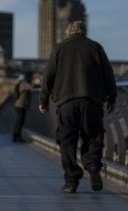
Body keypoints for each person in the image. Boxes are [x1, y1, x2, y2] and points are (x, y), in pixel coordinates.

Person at [38, 20, 117, 194]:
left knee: (67, 141)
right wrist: (112, 97)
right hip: (92, 100)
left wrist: (43, 100)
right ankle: (93, 166)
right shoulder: (96, 47)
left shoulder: (59, 48)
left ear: (68, 32)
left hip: (66, 102)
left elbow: (48, 77)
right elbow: (108, 74)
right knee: (94, 136)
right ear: (84, 32)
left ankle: (71, 180)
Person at [12, 72, 32, 143]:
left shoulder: (21, 83)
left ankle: (16, 135)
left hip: (20, 105)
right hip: (21, 105)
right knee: (20, 121)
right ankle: (16, 136)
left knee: (20, 121)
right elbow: (31, 87)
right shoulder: (24, 84)